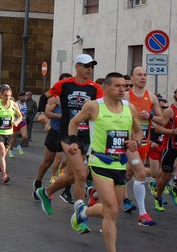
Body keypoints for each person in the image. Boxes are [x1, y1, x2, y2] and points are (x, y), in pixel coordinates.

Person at [67, 72, 142, 252]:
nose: (122, 89)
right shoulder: (94, 106)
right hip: (99, 162)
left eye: (124, 86)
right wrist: (73, 142)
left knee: (113, 210)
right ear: (106, 88)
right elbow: (74, 122)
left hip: (120, 163)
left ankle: (83, 212)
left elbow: (138, 131)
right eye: (118, 86)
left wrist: (136, 142)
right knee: (111, 210)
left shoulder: (129, 108)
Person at [35, 54, 103, 234]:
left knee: (72, 176)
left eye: (92, 66)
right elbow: (43, 97)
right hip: (67, 134)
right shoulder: (64, 85)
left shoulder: (95, 88)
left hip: (86, 136)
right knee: (81, 175)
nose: (90, 69)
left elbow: (102, 109)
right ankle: (79, 218)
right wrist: (41, 112)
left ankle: (46, 191)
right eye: (86, 66)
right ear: (77, 67)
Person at [122, 67, 159, 226]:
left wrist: (149, 116)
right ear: (132, 77)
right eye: (139, 75)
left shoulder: (151, 97)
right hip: (127, 143)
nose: (143, 77)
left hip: (143, 141)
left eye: (145, 75)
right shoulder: (125, 96)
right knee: (141, 173)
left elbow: (161, 119)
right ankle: (143, 214)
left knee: (128, 174)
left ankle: (99, 194)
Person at [33, 73, 72, 201]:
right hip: (55, 132)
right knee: (48, 161)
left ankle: (66, 191)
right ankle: (38, 182)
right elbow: (47, 113)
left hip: (70, 133)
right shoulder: (55, 98)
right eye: (64, 83)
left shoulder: (75, 98)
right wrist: (61, 116)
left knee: (72, 162)